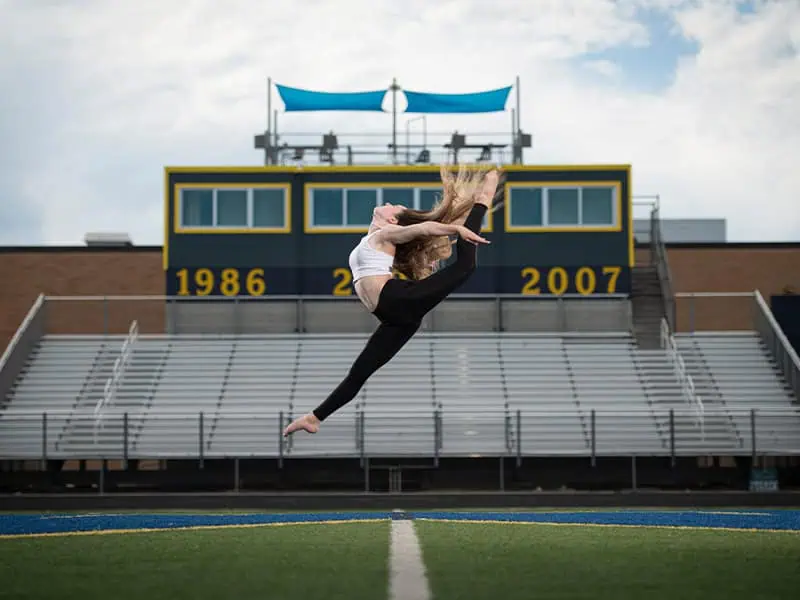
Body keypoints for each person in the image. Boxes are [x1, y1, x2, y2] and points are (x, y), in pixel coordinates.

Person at [283, 165, 501, 437]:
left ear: (393, 222)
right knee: (360, 371)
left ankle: (484, 196)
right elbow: (421, 228)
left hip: (398, 300)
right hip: (396, 316)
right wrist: (455, 227)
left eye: (393, 206)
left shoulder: (383, 236)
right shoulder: (371, 239)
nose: (387, 203)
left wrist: (457, 229)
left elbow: (423, 227)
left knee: (465, 266)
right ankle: (314, 418)